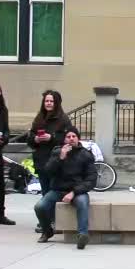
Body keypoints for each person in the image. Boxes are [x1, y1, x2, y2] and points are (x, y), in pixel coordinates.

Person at [34, 127, 96, 249]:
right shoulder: (57, 152)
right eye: (68, 137)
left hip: (77, 191)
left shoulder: (86, 155)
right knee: (39, 207)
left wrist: (74, 192)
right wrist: (60, 158)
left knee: (83, 203)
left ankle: (82, 235)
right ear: (64, 139)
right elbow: (48, 172)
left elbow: (91, 180)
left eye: (74, 136)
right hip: (57, 190)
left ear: (78, 139)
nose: (71, 139)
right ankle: (47, 231)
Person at [27, 90, 71, 232]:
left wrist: (51, 138)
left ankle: (56, 222)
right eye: (46, 101)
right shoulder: (39, 118)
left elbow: (68, 139)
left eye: (51, 101)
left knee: (54, 192)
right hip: (41, 161)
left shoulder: (63, 119)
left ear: (56, 103)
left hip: (56, 162)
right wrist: (35, 139)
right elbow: (30, 137)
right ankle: (46, 221)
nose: (48, 103)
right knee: (45, 192)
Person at [0, 83, 14, 225]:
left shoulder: (3, 110)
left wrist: (4, 138)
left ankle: (1, 214)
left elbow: (6, 129)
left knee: (0, 184)